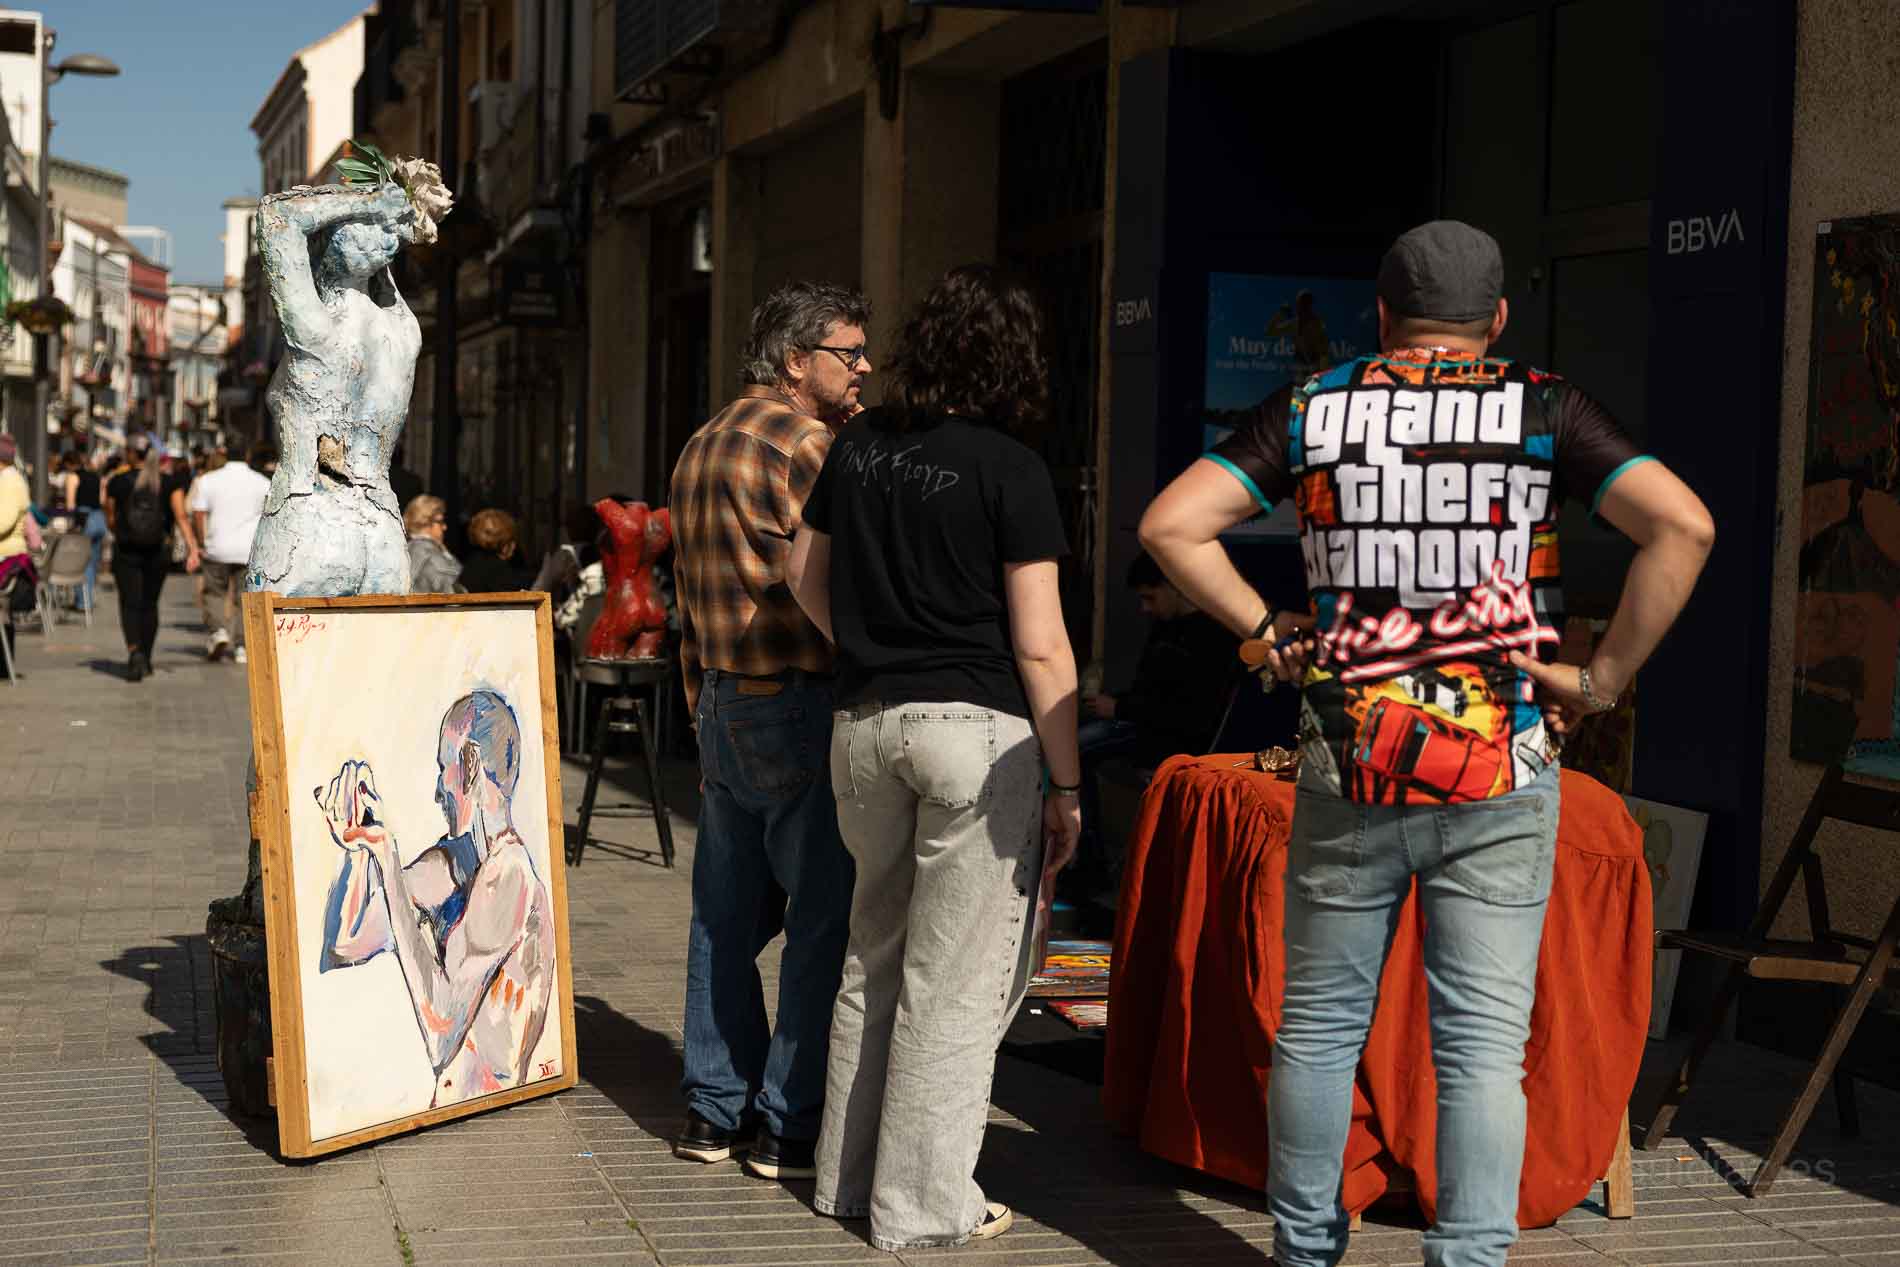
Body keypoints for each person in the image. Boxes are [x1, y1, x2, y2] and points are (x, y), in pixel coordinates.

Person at [1138, 220, 1716, 1267]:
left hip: (1348, 762)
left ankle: (1305, 1251)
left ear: (1381, 314)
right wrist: (1601, 679)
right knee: (1482, 1049)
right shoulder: (1543, 406)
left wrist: (1266, 629)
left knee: (1320, 1028)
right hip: (1502, 765)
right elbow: (1684, 526)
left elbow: (1171, 523)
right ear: (1497, 318)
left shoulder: (1315, 406)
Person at [784, 265, 1079, 1249]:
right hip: (977, 738)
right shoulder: (1012, 468)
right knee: (953, 979)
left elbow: (801, 570)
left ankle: (846, 1180)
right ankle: (923, 1205)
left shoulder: (862, 442)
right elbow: (1041, 643)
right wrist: (1068, 781)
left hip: (866, 725)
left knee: (872, 953)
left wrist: (871, 651)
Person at [668, 280, 870, 1180]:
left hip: (720, 696)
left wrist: (698, 710)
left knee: (722, 916)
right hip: (795, 697)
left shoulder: (700, 444)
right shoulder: (806, 445)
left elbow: (687, 601)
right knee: (819, 919)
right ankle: (787, 1124)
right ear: (796, 361)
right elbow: (836, 577)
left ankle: (714, 1109)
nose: (864, 367)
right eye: (848, 353)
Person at [315, 690, 555, 1105]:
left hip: (487, 1116)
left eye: (444, 766)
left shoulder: (511, 873)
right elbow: (346, 944)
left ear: (470, 764)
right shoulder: (454, 861)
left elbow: (442, 1030)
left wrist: (387, 857)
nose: (438, 789)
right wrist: (358, 846)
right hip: (449, 1106)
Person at [104, 433, 200, 682]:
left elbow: (110, 518)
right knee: (149, 603)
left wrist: (123, 531)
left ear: (131, 454)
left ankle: (134, 651)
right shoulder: (167, 482)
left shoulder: (118, 482)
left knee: (129, 603)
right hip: (157, 551)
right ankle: (146, 657)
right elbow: (180, 517)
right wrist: (193, 548)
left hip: (126, 550)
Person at [192, 443, 272, 663]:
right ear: (247, 454)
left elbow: (198, 513)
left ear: (225, 453)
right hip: (249, 551)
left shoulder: (208, 480)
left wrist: (201, 542)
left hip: (217, 548)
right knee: (246, 596)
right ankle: (242, 645)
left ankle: (218, 630)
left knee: (214, 592)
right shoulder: (262, 482)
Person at [0, 434, 36, 668]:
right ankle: (4, 663)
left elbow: (4, 521)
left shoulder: (9, 482)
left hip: (7, 557)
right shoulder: (11, 479)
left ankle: (4, 663)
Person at [457, 508, 531, 594]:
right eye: (512, 540)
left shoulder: (471, 563)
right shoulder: (499, 570)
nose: (514, 546)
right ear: (505, 544)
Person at [404, 495, 462, 593]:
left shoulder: (406, 550)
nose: (445, 527)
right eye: (441, 522)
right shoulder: (431, 557)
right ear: (424, 522)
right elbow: (455, 596)